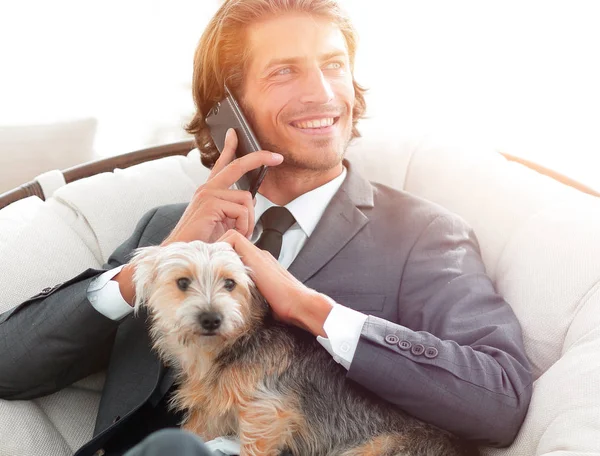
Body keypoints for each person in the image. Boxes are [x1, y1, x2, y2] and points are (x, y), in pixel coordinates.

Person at [0, 1, 532, 455]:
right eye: (285, 71)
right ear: (228, 107)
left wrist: (311, 310)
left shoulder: (422, 235)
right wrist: (156, 266)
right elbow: (10, 365)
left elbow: (501, 399)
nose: (322, 93)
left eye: (333, 65)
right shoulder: (168, 230)